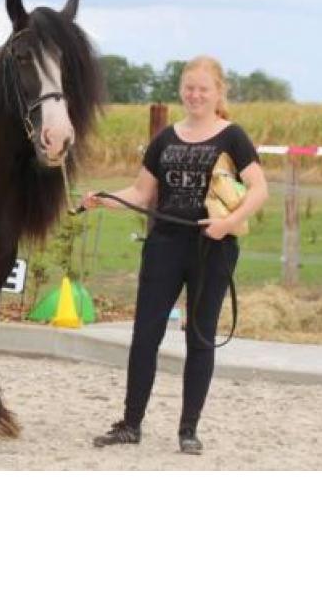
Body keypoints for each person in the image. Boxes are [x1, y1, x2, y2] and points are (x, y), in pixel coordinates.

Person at [82, 56, 268, 454]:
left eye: (204, 88)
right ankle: (131, 424)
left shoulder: (233, 136)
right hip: (164, 246)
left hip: (212, 247)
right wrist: (104, 198)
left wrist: (226, 223)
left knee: (199, 337)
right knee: (144, 336)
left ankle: (188, 429)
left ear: (218, 92)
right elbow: (141, 194)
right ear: (182, 90)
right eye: (189, 87)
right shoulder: (165, 138)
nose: (195, 95)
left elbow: (259, 190)